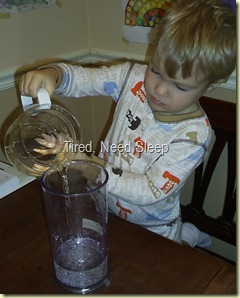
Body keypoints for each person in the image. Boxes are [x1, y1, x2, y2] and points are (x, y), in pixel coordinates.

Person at [19, 0, 236, 247]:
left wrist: (88, 165)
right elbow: (88, 79)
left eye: (180, 86)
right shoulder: (131, 77)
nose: (159, 89)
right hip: (106, 206)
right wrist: (54, 74)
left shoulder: (194, 136)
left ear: (212, 84)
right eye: (155, 70)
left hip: (154, 228)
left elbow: (147, 190)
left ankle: (187, 236)